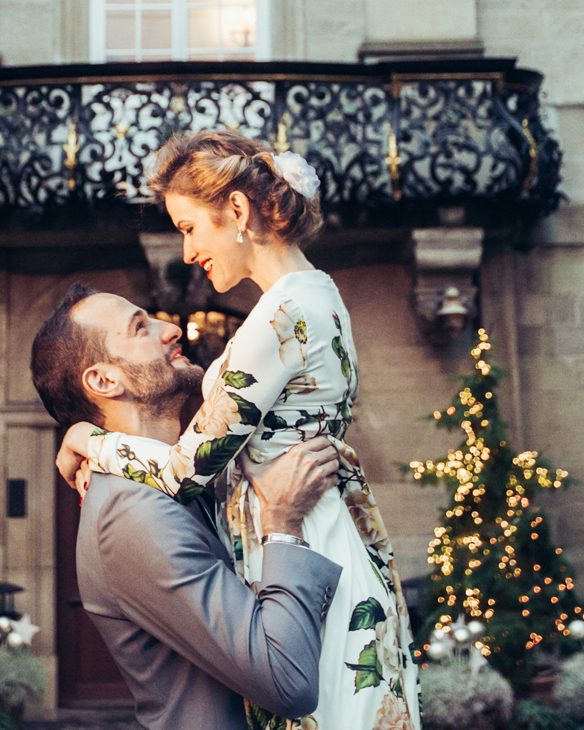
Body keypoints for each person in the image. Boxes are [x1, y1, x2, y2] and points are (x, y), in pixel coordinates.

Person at [54, 130, 420, 730]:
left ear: (238, 212)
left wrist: (87, 439)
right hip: (329, 534)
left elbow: (182, 471)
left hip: (304, 541)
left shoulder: (275, 320)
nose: (187, 248)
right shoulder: (316, 296)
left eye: (190, 227)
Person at [31, 282, 345, 730]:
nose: (171, 328)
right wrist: (282, 523)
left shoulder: (171, 481)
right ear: (104, 380)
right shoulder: (131, 514)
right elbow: (286, 680)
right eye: (140, 327)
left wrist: (88, 439)